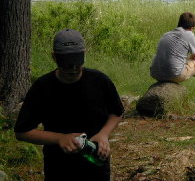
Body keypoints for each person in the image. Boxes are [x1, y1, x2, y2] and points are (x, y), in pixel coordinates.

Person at [14, 28, 124, 181]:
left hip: (96, 163)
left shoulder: (100, 81)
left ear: (85, 54)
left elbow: (116, 112)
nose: (72, 69)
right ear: (54, 57)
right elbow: (22, 132)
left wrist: (103, 134)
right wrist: (60, 138)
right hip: (59, 167)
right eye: (66, 64)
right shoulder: (42, 87)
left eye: (77, 63)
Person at [150, 12, 195, 101]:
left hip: (155, 73)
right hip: (175, 74)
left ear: (179, 23)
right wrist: (188, 59)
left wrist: (184, 59)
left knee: (184, 61)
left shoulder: (166, 34)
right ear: (192, 28)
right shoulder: (189, 34)